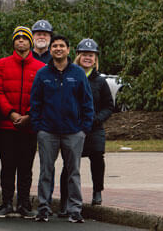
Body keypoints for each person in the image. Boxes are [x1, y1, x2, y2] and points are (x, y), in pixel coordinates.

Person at [29, 36, 93, 223]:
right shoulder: (43, 74)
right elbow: (35, 102)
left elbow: (87, 102)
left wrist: (84, 128)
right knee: (46, 171)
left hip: (74, 132)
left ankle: (75, 209)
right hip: (48, 131)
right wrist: (38, 126)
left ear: (68, 49)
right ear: (51, 49)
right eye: (55, 46)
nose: (58, 49)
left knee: (73, 172)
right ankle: (43, 208)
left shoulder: (78, 73)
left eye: (61, 46)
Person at [0, 26, 44, 218]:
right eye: (17, 38)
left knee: (25, 167)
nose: (21, 41)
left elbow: (40, 97)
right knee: (7, 166)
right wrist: (12, 114)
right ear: (13, 42)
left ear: (30, 42)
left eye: (25, 38)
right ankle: (6, 203)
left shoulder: (40, 68)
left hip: (29, 127)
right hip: (7, 126)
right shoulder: (2, 65)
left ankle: (24, 204)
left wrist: (29, 116)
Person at [73, 39, 115, 207]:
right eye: (84, 55)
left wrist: (97, 119)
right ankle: (67, 197)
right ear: (78, 56)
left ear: (95, 58)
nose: (87, 58)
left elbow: (109, 105)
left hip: (95, 128)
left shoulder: (100, 81)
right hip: (74, 127)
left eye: (91, 55)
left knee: (97, 157)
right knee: (71, 162)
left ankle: (97, 191)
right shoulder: (72, 77)